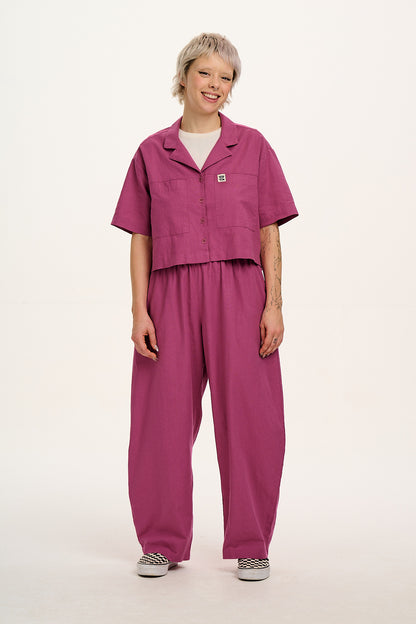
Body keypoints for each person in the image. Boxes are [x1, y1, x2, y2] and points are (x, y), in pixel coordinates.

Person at [110, 32, 299, 582]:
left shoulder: (253, 147)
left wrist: (274, 304)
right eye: (206, 73)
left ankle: (252, 544)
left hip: (240, 291)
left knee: (252, 420)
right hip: (168, 293)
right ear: (184, 76)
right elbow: (140, 237)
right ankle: (161, 542)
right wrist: (139, 311)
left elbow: (269, 232)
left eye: (226, 77)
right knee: (159, 421)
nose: (215, 85)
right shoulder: (152, 152)